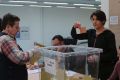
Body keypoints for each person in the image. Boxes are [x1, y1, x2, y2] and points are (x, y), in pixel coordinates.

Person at [71, 10, 118, 80]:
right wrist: (74, 27)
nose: (94, 22)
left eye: (97, 19)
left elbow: (113, 54)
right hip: (92, 68)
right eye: (93, 19)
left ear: (103, 21)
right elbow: (75, 36)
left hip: (105, 69)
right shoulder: (90, 32)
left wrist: (98, 57)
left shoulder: (109, 34)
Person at [0, 13, 40, 80]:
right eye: (16, 27)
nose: (18, 30)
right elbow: (20, 58)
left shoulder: (10, 39)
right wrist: (34, 51)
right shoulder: (5, 39)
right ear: (8, 27)